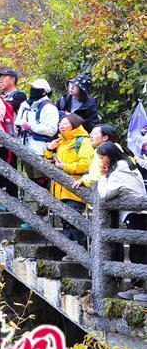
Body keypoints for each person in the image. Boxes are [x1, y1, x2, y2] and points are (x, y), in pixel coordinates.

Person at [93, 142, 147, 301]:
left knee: (139, 252)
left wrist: (103, 177)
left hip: (135, 214)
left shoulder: (118, 172)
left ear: (110, 156)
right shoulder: (129, 166)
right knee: (138, 250)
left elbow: (105, 194)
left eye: (102, 157)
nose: (101, 160)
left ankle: (140, 289)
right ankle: (138, 287)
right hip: (140, 212)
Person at [44, 114, 93, 254]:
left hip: (75, 188)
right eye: (60, 124)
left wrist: (65, 167)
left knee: (73, 219)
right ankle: (71, 252)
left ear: (74, 124)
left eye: (65, 123)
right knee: (65, 221)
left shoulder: (83, 141)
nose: (61, 126)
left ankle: (83, 250)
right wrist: (49, 150)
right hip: (59, 189)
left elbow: (86, 164)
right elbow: (48, 164)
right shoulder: (60, 142)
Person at [15, 79, 59, 190]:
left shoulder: (49, 107)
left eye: (35, 89)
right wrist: (19, 126)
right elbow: (18, 121)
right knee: (31, 179)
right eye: (32, 88)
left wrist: (31, 126)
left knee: (41, 179)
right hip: (24, 146)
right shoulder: (25, 104)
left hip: (40, 148)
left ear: (44, 91)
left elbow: (52, 130)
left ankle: (45, 201)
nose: (32, 90)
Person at [0, 69, 27, 199]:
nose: (0, 80)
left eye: (3, 77)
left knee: (9, 169)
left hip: (12, 137)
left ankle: (12, 201)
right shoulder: (0, 97)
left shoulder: (19, 95)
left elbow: (8, 108)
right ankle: (1, 200)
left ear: (12, 79)